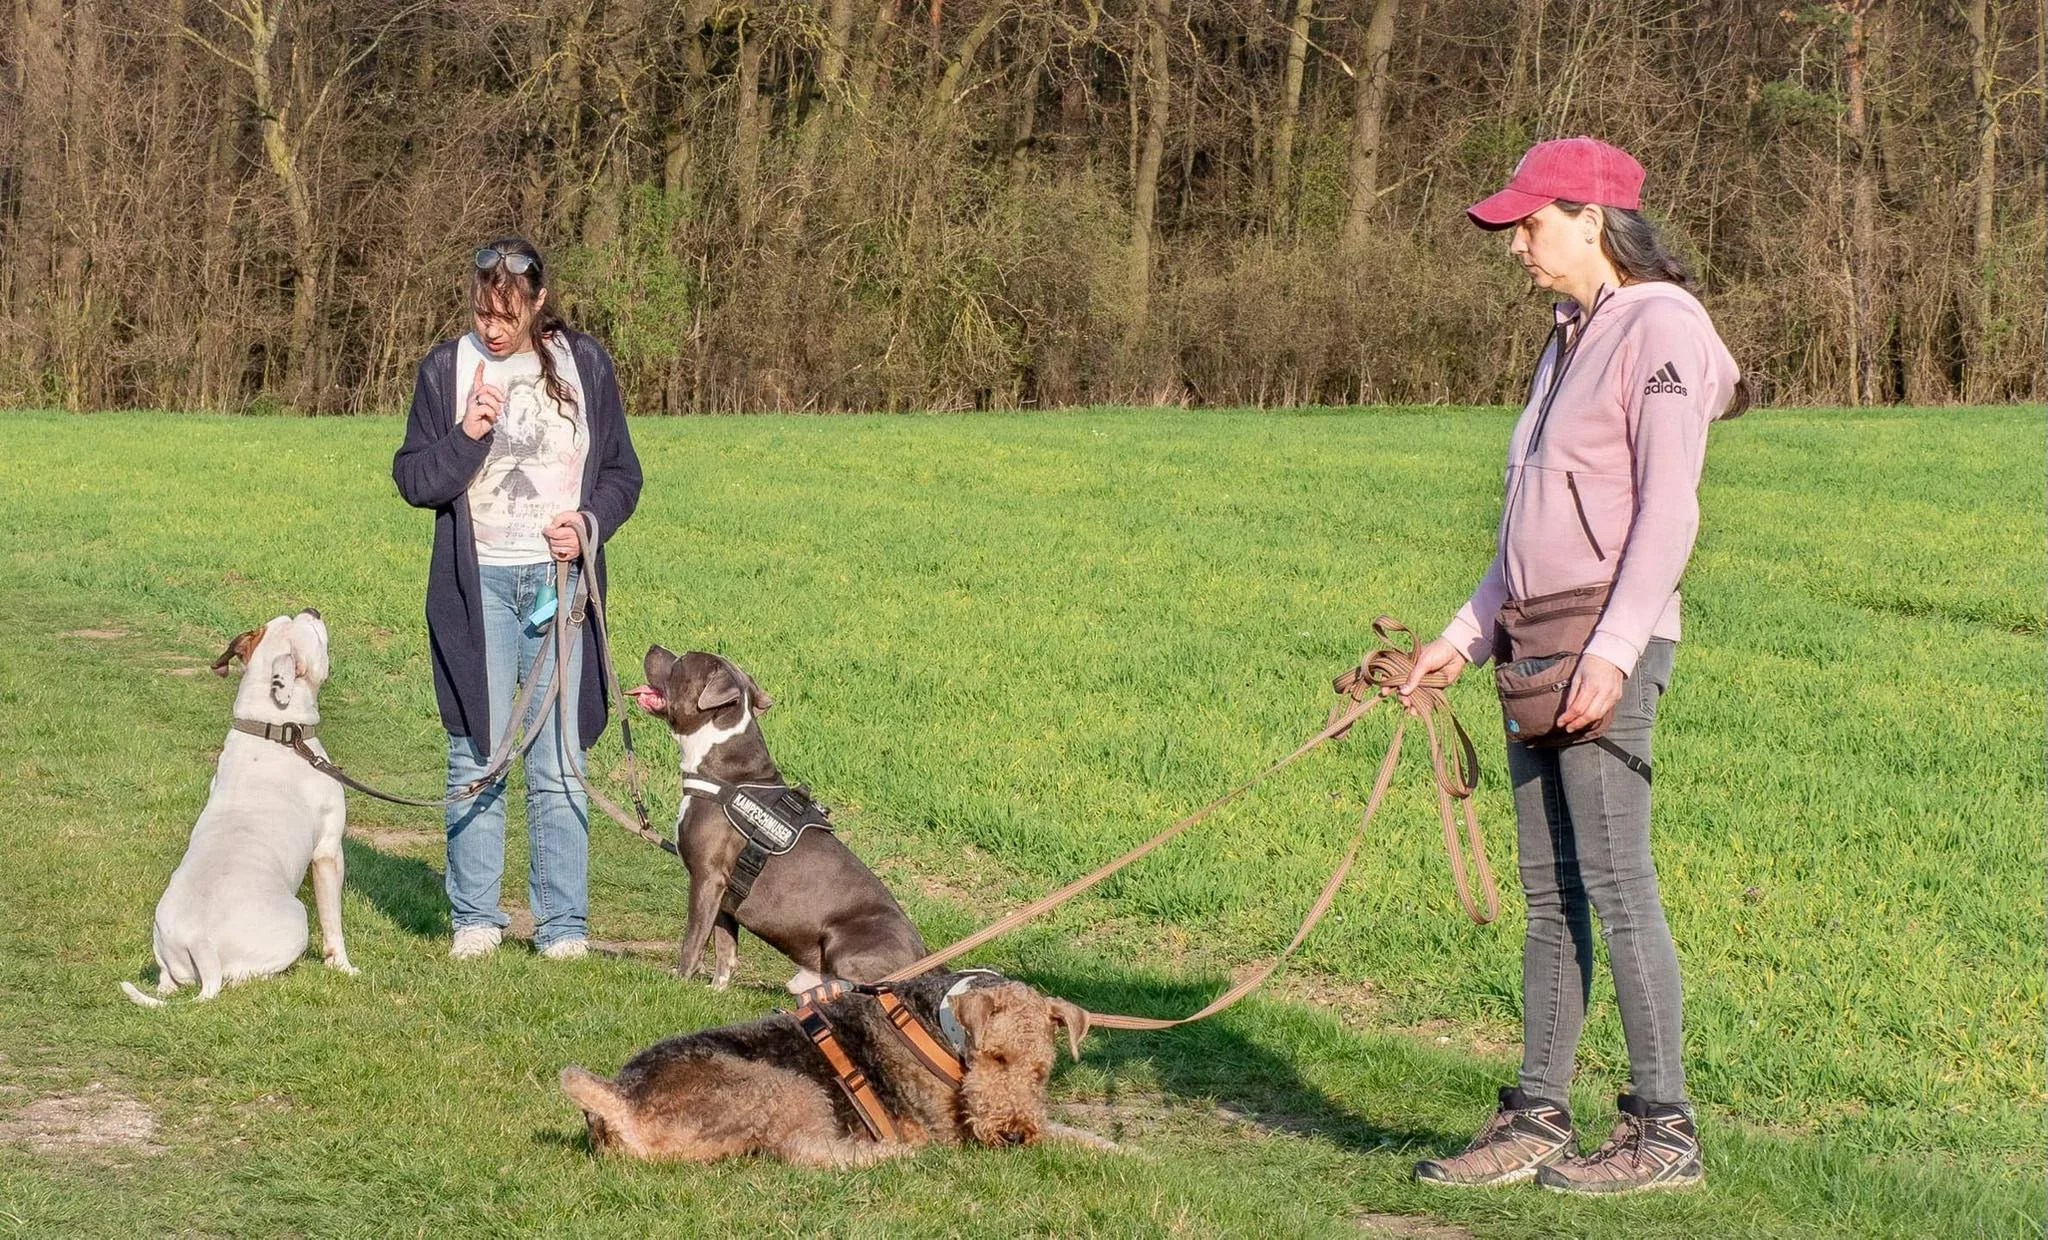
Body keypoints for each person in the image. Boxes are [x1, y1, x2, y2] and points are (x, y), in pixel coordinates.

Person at [1399, 138, 1746, 1195]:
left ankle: (1662, 1131)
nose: (1515, 244)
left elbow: (1666, 509)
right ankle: (1537, 1115)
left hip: (1603, 641)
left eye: (1530, 222)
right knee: (1551, 897)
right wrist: (1461, 636)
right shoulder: (1566, 336)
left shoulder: (1661, 328)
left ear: (1591, 217)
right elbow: (1529, 523)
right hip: (1534, 637)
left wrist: (1612, 649)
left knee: (1614, 881)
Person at [392, 238, 643, 961]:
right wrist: (468, 434)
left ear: (537, 305)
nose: (491, 329)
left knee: (561, 759)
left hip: (561, 587)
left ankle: (563, 928)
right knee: (477, 750)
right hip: (480, 590)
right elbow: (414, 480)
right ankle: (475, 918)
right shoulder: (445, 370)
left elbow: (624, 475)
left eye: (506, 314)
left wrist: (588, 525)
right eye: (480, 312)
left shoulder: (584, 365)